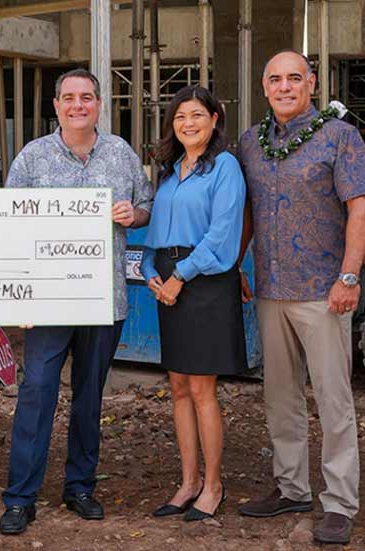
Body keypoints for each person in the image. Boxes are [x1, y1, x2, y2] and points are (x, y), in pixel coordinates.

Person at [0, 68, 153, 536]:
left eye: (87, 97)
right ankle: (21, 497)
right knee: (36, 392)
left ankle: (80, 486)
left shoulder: (121, 154)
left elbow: (145, 204)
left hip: (104, 301)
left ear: (99, 104)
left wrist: (133, 214)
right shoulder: (32, 158)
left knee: (89, 396)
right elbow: (6, 222)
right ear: (56, 105)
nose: (78, 105)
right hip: (47, 302)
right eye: (69, 98)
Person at [236, 50, 365, 545]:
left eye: (294, 78)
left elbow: (359, 209)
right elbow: (247, 211)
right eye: (275, 79)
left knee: (334, 401)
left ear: (311, 83)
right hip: (270, 288)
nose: (285, 86)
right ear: (264, 87)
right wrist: (235, 265)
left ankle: (339, 503)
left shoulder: (341, 137)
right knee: (280, 397)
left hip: (324, 291)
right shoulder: (252, 141)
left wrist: (349, 277)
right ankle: (291, 487)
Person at [140, 85, 246, 522]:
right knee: (178, 387)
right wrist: (150, 271)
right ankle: (187, 482)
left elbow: (221, 233)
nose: (188, 123)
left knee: (202, 389)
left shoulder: (224, 168)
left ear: (215, 119)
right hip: (167, 281)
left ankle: (214, 485)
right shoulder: (169, 172)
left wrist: (180, 278)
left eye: (197, 115)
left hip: (203, 283)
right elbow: (156, 234)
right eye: (180, 116)